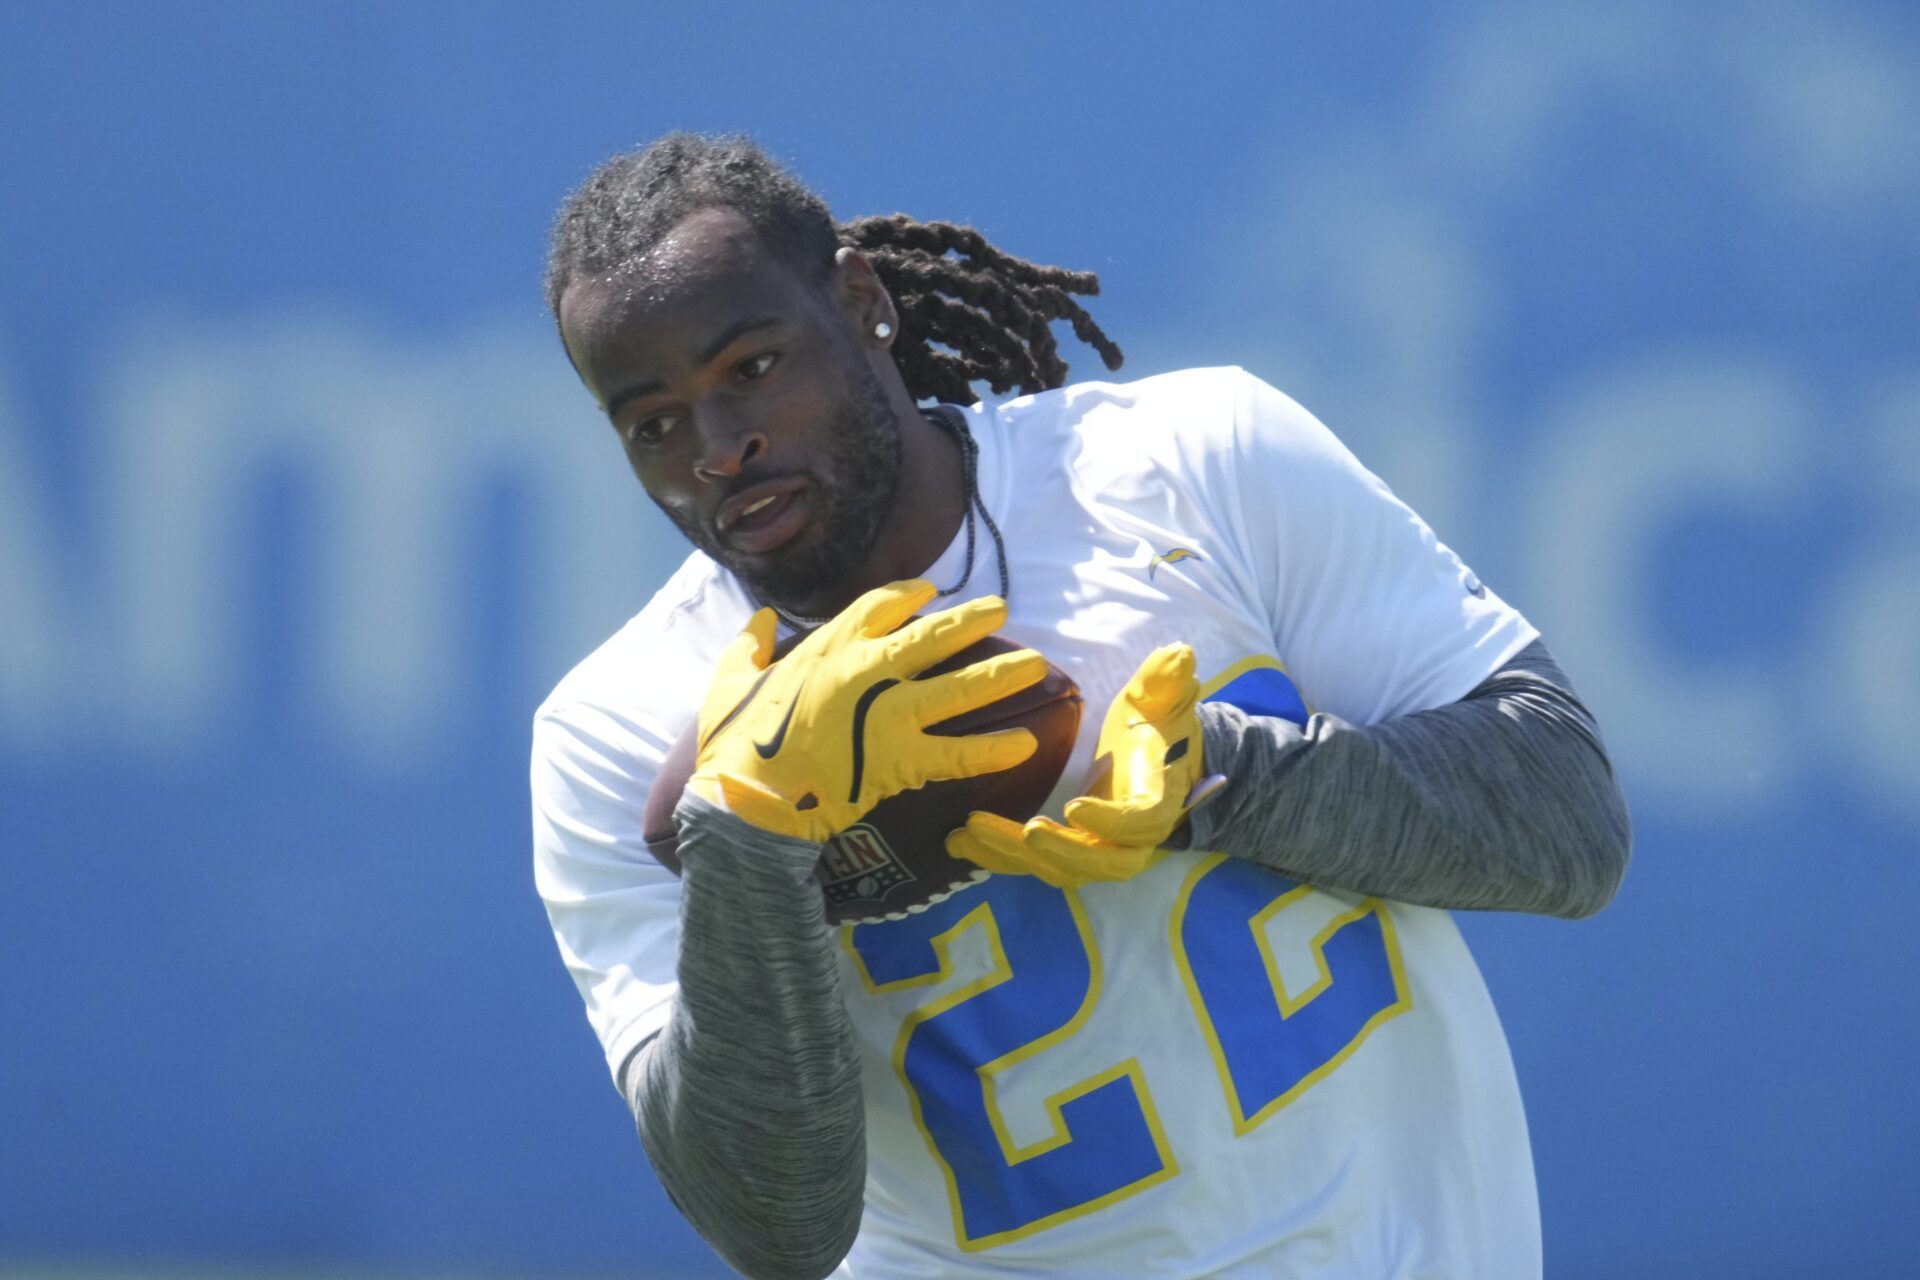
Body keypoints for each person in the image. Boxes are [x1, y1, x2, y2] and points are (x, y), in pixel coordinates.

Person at [531, 133, 1631, 1280]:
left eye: (752, 366)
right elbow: (773, 1226)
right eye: (652, 421)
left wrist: (1221, 775)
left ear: (862, 301)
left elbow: (1568, 826)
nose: (717, 449)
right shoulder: (613, 729)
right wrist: (751, 844)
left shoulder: (1195, 460)